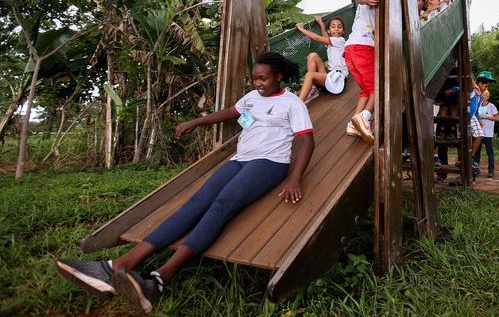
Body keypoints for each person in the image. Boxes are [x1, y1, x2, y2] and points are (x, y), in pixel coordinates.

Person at [55, 52, 314, 316]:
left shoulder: (292, 103)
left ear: (278, 77)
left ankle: (159, 280)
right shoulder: (251, 98)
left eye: (263, 78)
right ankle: (118, 266)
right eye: (254, 78)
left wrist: (295, 177)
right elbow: (230, 112)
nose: (258, 83)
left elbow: (306, 141)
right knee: (196, 203)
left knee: (221, 205)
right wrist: (195, 122)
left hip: (270, 163)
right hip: (240, 159)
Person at [344, 0, 378, 143]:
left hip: (350, 49)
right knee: (377, 87)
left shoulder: (361, 7)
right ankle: (365, 117)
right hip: (362, 47)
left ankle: (353, 122)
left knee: (366, 90)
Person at [295, 16, 348, 103]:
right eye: (333, 27)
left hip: (338, 80)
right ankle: (313, 89)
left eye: (339, 27)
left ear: (343, 31)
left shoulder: (340, 41)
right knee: (312, 55)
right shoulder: (332, 42)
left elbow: (318, 38)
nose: (336, 29)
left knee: (310, 75)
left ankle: (298, 104)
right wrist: (321, 23)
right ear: (329, 30)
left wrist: (302, 29)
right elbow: (325, 36)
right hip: (330, 76)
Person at [469, 71, 495, 174]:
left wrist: (479, 120)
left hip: (473, 117)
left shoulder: (480, 96)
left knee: (479, 135)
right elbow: (472, 83)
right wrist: (470, 75)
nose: (487, 86)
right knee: (476, 136)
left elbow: (477, 111)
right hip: (467, 116)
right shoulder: (473, 91)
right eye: (485, 83)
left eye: (488, 84)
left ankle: (471, 157)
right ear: (478, 83)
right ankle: (469, 158)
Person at [476, 90, 499, 178]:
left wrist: (485, 117)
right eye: (483, 94)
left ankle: (491, 171)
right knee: (477, 152)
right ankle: (476, 169)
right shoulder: (478, 105)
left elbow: (497, 118)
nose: (484, 96)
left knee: (489, 152)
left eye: (486, 95)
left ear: (488, 96)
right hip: (479, 132)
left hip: (488, 133)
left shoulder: (491, 106)